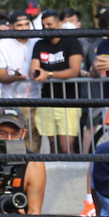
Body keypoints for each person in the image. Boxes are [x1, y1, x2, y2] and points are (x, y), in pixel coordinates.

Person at [31, 9, 86, 153]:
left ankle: (70, 174)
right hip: (47, 100)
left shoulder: (72, 42)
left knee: (66, 146)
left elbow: (74, 70)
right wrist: (35, 73)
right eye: (44, 26)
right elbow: (33, 69)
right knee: (53, 146)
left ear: (60, 24)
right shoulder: (39, 44)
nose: (47, 29)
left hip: (69, 100)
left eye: (50, 25)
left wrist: (48, 74)